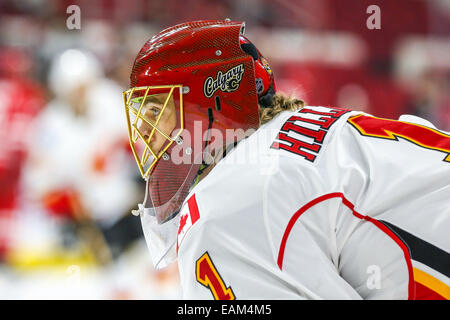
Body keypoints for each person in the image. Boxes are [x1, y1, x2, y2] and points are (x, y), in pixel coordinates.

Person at [124, 20, 450, 300]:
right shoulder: (311, 128)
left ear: (208, 108)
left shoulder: (226, 203)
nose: (142, 130)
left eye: (156, 111)